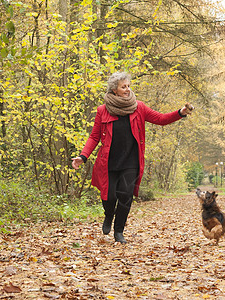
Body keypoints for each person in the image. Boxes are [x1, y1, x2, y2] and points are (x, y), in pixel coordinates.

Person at [72, 72, 193, 243]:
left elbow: (160, 119)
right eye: (123, 87)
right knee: (109, 196)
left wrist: (180, 113)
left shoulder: (139, 107)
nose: (128, 89)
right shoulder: (103, 110)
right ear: (114, 90)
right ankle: (108, 215)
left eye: (128, 86)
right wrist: (82, 157)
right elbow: (94, 137)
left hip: (131, 162)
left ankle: (119, 231)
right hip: (109, 162)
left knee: (126, 196)